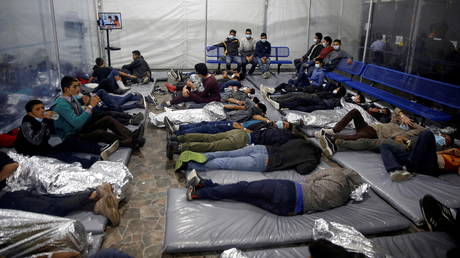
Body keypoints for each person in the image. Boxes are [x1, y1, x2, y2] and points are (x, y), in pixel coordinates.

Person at [0, 151, 120, 226]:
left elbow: (14, 165)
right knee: (49, 200)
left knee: (49, 205)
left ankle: (93, 196)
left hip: (13, 191)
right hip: (14, 190)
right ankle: (95, 200)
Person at [184, 167, 361, 216]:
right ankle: (202, 188)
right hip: (287, 210)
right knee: (243, 196)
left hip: (289, 190)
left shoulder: (337, 173)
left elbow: (309, 180)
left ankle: (201, 189)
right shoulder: (344, 198)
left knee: (242, 188)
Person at [14, 100, 119, 168]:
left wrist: (49, 120)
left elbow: (48, 135)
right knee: (64, 156)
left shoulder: (42, 119)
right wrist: (45, 122)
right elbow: (36, 141)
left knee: (70, 141)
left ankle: (100, 150)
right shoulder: (26, 123)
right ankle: (92, 162)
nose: (42, 111)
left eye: (42, 107)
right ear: (30, 113)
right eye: (38, 109)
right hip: (33, 155)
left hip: (44, 148)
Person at [52, 76, 145, 149]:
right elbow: (77, 124)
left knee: (108, 118)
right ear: (66, 89)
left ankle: (131, 135)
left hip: (81, 128)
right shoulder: (61, 105)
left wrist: (89, 105)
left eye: (78, 85)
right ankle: (131, 142)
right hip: (72, 136)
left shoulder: (73, 98)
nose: (78, 88)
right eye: (75, 86)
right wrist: (90, 106)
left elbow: (85, 118)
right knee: (99, 133)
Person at [176, 138, 321, 175]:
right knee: (226, 163)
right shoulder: (312, 159)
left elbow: (285, 143)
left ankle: (202, 155)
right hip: (265, 162)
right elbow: (303, 170)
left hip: (262, 148)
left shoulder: (301, 141)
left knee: (227, 153)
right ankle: (189, 165)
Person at [319, 108, 425, 156]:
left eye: (409, 120)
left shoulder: (410, 133)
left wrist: (413, 125)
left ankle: (332, 138)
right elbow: (396, 109)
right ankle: (334, 131)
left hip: (375, 134)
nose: (405, 121)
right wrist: (403, 116)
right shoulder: (396, 121)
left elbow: (426, 131)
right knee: (355, 112)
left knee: (360, 136)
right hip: (370, 127)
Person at [166, 127, 301, 160]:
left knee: (208, 137)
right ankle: (178, 148)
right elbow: (271, 150)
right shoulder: (284, 141)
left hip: (239, 133)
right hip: (242, 141)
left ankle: (179, 139)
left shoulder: (280, 130)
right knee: (211, 147)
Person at [379, 130, 455, 181]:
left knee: (427, 133)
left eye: (446, 140)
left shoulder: (441, 147)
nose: (443, 139)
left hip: (429, 164)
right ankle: (395, 170)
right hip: (412, 154)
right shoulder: (420, 135)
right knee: (384, 145)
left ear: (447, 145)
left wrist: (446, 151)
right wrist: (405, 140)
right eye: (444, 137)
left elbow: (431, 152)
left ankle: (410, 169)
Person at [165, 118, 291, 136]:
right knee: (205, 123)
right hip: (236, 124)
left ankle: (177, 133)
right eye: (284, 121)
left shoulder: (269, 130)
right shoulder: (268, 122)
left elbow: (251, 133)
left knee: (207, 129)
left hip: (236, 129)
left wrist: (239, 127)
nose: (282, 122)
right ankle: (179, 128)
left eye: (284, 125)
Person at [80, 93, 145, 126]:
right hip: (103, 112)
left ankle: (131, 116)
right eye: (84, 98)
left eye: (86, 97)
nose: (86, 98)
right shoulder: (88, 107)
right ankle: (131, 118)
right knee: (112, 111)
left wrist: (98, 100)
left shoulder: (92, 101)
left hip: (106, 106)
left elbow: (101, 106)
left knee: (115, 107)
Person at [266, 86, 347, 111]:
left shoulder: (335, 97)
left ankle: (279, 102)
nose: (335, 89)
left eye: (337, 89)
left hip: (317, 98)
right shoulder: (331, 93)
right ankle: (276, 99)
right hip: (316, 96)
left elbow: (327, 103)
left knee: (298, 96)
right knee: (295, 95)